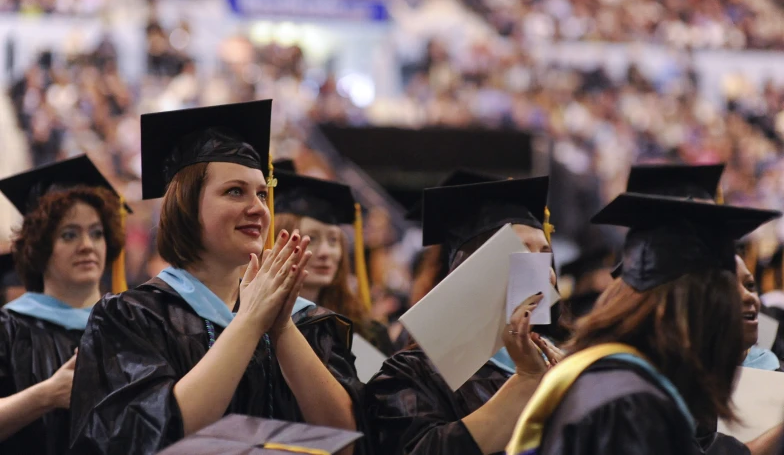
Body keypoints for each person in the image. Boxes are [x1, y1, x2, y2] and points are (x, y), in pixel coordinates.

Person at [69, 101, 363, 454]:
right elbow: (151, 436)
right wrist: (252, 319)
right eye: (235, 191)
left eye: (262, 194)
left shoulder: (303, 321)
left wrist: (281, 326)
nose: (258, 208)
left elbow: (347, 442)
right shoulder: (133, 318)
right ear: (187, 206)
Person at [506, 192, 780, 455]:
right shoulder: (631, 404)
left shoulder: (614, 381)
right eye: (724, 300)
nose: (745, 303)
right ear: (689, 311)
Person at [365, 177, 562, 455]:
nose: (542, 269)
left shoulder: (566, 357)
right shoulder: (414, 374)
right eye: (521, 250)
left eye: (545, 253)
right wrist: (526, 381)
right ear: (470, 268)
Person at [0, 155, 128, 455]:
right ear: (41, 247)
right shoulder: (9, 329)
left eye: (97, 233)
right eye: (69, 234)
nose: (87, 245)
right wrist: (45, 396)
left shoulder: (130, 324)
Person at [274, 169, 394, 355]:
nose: (325, 252)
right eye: (311, 238)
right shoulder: (261, 326)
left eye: (333, 240)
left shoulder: (366, 331)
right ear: (281, 243)